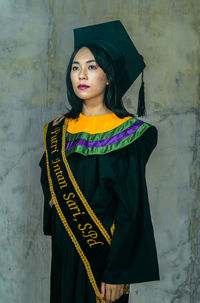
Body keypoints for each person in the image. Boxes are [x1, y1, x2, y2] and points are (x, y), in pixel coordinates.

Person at [39, 20, 160, 303]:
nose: (81, 74)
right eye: (75, 67)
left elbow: (133, 207)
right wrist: (54, 198)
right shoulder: (59, 129)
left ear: (109, 77)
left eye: (92, 67)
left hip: (103, 255)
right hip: (66, 245)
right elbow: (49, 177)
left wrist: (119, 272)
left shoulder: (129, 133)